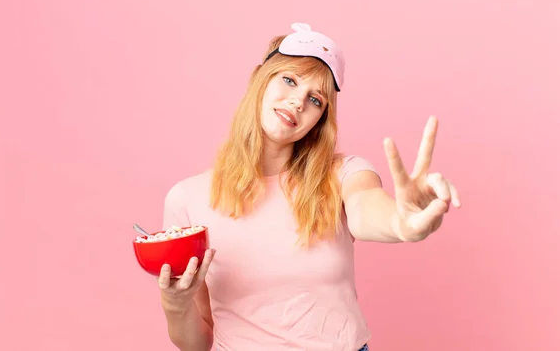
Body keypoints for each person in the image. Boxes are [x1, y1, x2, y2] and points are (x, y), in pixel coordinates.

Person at [155, 23, 461, 351]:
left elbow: (366, 208)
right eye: (289, 80)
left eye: (315, 99)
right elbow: (197, 342)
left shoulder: (344, 173)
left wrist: (403, 221)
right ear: (260, 78)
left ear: (320, 120)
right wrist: (176, 305)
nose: (299, 102)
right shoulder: (186, 199)